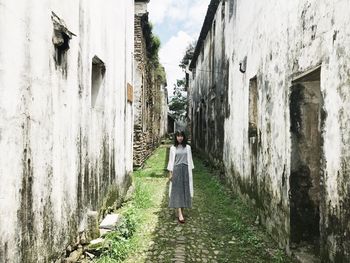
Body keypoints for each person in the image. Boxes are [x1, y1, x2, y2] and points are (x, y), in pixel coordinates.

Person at [167, 131, 194, 224]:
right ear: (176, 137)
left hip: (186, 170)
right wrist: (170, 173)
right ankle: (179, 213)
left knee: (184, 191)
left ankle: (181, 211)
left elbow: (190, 161)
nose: (180, 138)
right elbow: (171, 162)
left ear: (183, 137)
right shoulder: (173, 148)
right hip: (177, 170)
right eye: (178, 136)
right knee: (177, 191)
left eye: (181, 136)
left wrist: (190, 172)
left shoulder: (188, 148)